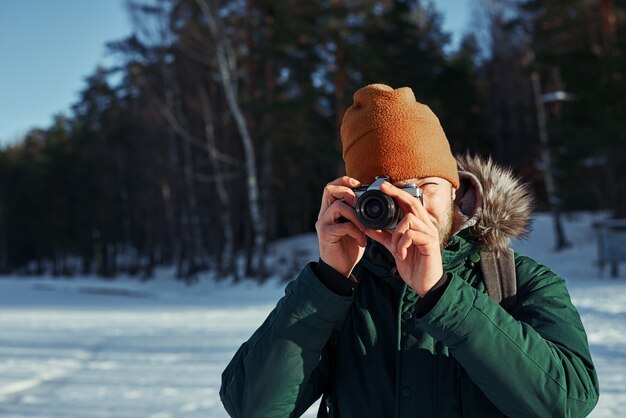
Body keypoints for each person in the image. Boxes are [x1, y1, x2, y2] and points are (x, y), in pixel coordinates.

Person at [220, 84, 599, 417]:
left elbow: (568, 404)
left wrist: (441, 294)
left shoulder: (516, 282)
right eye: (388, 192)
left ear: (456, 190)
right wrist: (327, 283)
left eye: (422, 187)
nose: (409, 207)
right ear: (357, 200)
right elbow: (251, 407)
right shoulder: (339, 294)